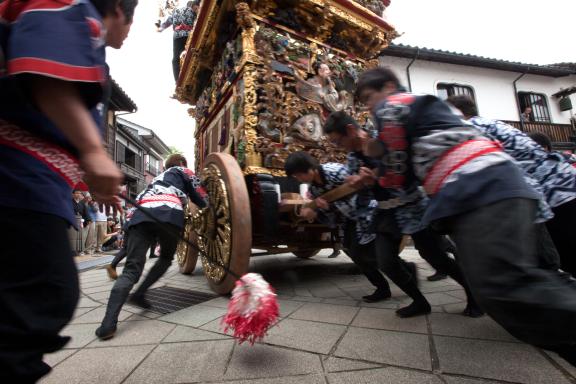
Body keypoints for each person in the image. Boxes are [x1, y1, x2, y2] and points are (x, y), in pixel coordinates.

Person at [355, 67, 576, 366]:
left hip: (479, 188)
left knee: (507, 288)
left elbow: (396, 174)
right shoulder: (424, 111)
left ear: (389, 86)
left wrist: (376, 163)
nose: (370, 106)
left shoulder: (395, 106)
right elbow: (403, 175)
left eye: (370, 96)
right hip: (491, 189)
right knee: (505, 291)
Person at [0, 0, 136, 381]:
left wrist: (92, 165)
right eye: (130, 26)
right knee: (42, 292)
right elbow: (43, 71)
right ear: (121, 12)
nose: (127, 35)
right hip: (17, 177)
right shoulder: (79, 11)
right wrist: (92, 149)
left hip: (27, 182)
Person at [323, 111, 483, 317]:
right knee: (385, 261)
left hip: (413, 205)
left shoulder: (385, 139)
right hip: (385, 211)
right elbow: (363, 190)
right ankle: (419, 302)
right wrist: (359, 184)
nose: (338, 146)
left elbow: (409, 171)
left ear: (350, 130)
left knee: (435, 256)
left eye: (338, 141)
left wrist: (376, 179)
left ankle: (474, 295)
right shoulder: (353, 158)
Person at [448, 95, 576, 276]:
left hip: (553, 191)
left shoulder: (472, 129)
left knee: (564, 255)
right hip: (563, 184)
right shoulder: (490, 123)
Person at [96, 154, 207, 340]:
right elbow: (200, 194)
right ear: (181, 163)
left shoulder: (154, 181)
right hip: (170, 213)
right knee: (165, 258)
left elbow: (135, 204)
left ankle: (108, 324)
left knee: (131, 270)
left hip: (141, 215)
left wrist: (127, 230)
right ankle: (139, 293)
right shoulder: (182, 170)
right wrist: (207, 206)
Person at [284, 152, 393, 304]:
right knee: (353, 252)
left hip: (365, 214)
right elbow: (330, 216)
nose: (299, 179)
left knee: (366, 253)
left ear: (309, 169)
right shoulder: (314, 189)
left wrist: (329, 207)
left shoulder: (334, 171)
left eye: (298, 175)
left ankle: (399, 274)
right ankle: (384, 285)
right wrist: (316, 212)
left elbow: (363, 191)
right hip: (347, 221)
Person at [158, 0, 199, 83]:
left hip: (178, 36)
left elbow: (168, 21)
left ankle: (177, 81)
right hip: (189, 34)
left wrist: (161, 28)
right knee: (191, 52)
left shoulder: (176, 11)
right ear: (193, 6)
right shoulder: (193, 11)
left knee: (175, 59)